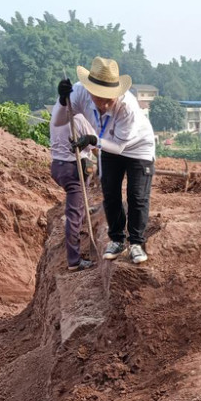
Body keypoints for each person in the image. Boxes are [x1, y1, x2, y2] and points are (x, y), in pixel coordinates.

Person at [53, 56, 155, 265]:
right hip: (106, 142)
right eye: (101, 98)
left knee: (137, 195)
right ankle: (117, 239)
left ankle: (136, 243)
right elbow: (59, 120)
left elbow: (119, 147)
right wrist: (62, 101)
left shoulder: (128, 107)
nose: (106, 103)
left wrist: (92, 140)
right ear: (90, 91)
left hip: (137, 148)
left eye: (111, 98)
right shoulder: (79, 93)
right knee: (110, 193)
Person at [49, 106, 97, 271]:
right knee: (73, 215)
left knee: (78, 202)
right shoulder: (79, 119)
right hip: (73, 168)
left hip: (57, 166)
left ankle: (82, 211)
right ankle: (74, 261)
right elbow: (96, 147)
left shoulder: (56, 116)